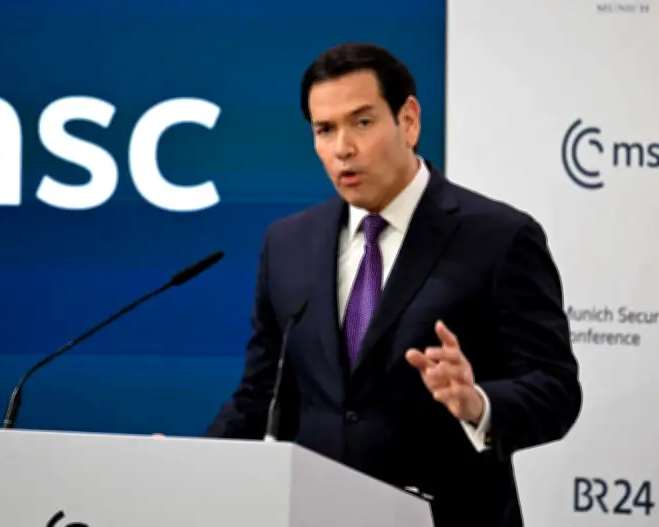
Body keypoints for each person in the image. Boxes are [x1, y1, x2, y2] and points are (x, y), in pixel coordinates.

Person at [204, 42, 582, 526]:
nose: (343, 148)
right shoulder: (288, 244)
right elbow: (262, 394)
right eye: (325, 129)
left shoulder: (498, 237)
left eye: (362, 122)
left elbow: (556, 389)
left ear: (409, 121)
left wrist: (477, 404)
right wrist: (194, 466)